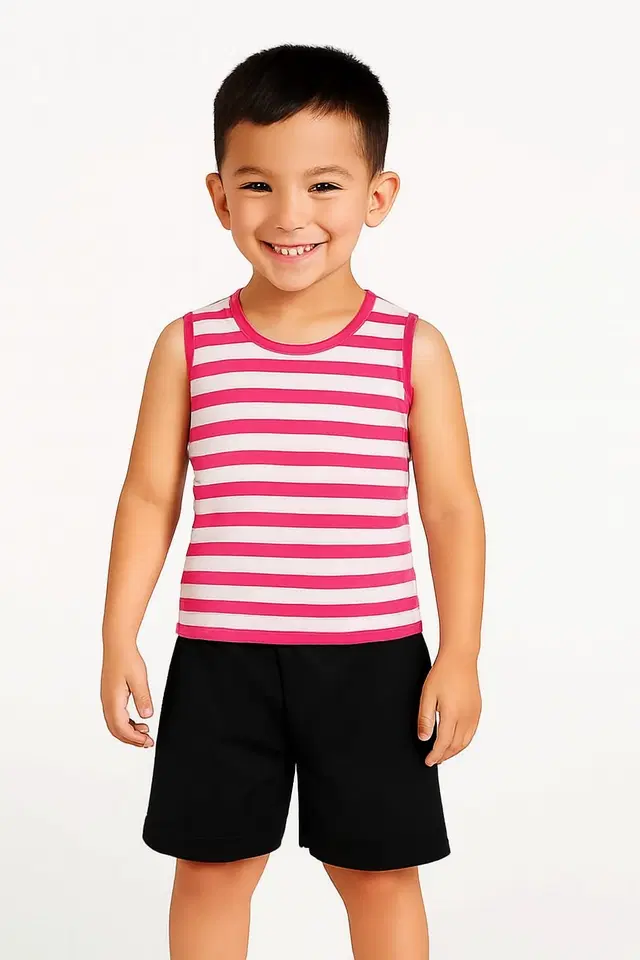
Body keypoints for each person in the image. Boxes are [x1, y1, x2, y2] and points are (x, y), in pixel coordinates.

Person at [100, 42, 485, 960]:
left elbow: (452, 511)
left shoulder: (413, 349)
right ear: (219, 197)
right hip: (222, 661)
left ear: (377, 196)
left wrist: (460, 654)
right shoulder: (189, 346)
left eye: (323, 186)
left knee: (379, 874)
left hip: (374, 661)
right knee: (211, 871)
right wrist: (119, 634)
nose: (289, 216)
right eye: (258, 185)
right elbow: (149, 496)